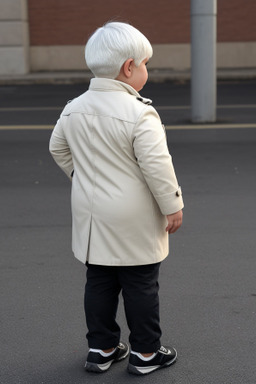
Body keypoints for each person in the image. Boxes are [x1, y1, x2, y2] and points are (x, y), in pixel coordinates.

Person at [49, 21, 184, 376]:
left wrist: (81, 177)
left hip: (93, 215)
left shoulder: (73, 107)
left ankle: (102, 347)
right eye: (145, 64)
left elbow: (57, 147)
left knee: (99, 281)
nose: (146, 71)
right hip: (133, 216)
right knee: (140, 284)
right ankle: (145, 353)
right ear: (129, 67)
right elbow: (157, 166)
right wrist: (172, 205)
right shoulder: (140, 113)